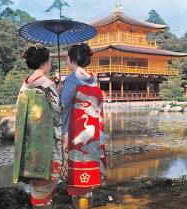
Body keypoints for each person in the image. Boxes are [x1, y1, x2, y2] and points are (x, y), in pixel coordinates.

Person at [13, 46, 63, 209]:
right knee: (49, 175)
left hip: (29, 141)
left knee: (35, 178)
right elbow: (58, 112)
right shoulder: (48, 84)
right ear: (45, 63)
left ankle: (38, 202)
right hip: (46, 141)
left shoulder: (25, 85)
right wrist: (59, 92)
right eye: (49, 61)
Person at [61, 43, 106, 209]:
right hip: (93, 134)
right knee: (87, 182)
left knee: (77, 182)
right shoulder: (92, 79)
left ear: (72, 60)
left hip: (74, 134)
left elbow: (63, 104)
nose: (66, 61)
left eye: (66, 58)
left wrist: (59, 90)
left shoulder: (72, 79)